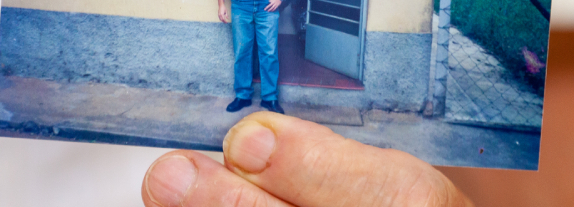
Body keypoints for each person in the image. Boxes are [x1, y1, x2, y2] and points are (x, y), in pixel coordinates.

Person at [142, 112, 475, 207]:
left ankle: (269, 97)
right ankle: (244, 93)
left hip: (266, 5)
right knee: (246, 52)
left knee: (268, 53)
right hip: (242, 5)